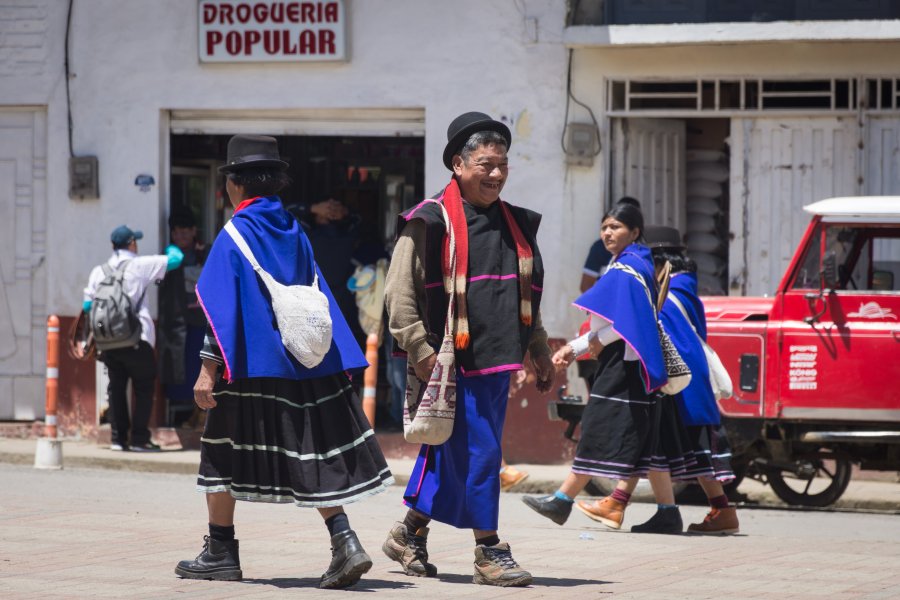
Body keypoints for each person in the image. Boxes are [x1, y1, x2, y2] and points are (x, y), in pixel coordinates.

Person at [174, 135, 393, 590]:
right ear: (275, 182)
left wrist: (207, 369)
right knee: (308, 454)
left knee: (220, 453)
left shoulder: (236, 233)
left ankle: (220, 550)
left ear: (234, 184)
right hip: (303, 362)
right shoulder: (294, 230)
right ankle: (345, 541)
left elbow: (222, 305)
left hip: (251, 365)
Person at [382, 111, 554, 587]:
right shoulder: (430, 220)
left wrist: (538, 347)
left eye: (502, 164)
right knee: (479, 454)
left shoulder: (515, 225)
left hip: (499, 361)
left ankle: (408, 533)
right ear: (458, 164)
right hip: (448, 362)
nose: (496, 174)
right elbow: (399, 295)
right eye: (485, 164)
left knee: (455, 452)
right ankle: (488, 551)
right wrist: (420, 351)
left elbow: (526, 296)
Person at [522, 202, 686, 533]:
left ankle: (562, 500)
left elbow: (630, 321)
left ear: (635, 232)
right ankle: (668, 512)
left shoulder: (629, 268)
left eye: (616, 227)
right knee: (647, 444)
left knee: (597, 427)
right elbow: (617, 322)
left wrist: (587, 344)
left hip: (627, 366)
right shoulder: (627, 264)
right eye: (605, 227)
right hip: (628, 361)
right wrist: (574, 347)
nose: (608, 233)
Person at [83, 225, 184, 451]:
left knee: (116, 388)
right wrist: (169, 243)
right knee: (144, 388)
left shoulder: (98, 271)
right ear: (132, 244)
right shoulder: (140, 265)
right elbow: (177, 258)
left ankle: (118, 439)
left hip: (109, 341)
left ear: (112, 246)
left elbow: (88, 305)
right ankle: (139, 439)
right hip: (138, 338)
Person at [157, 206, 208, 428]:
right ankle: (186, 414)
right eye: (176, 232)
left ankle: (201, 415)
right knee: (180, 371)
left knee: (201, 370)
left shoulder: (206, 253)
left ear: (194, 230)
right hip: (176, 324)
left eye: (185, 231)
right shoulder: (169, 257)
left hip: (201, 325)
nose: (181, 236)